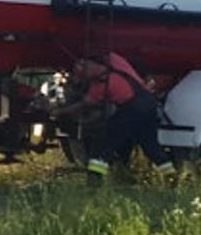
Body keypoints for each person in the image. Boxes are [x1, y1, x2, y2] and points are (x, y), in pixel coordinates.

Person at [60, 51, 173, 180]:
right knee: (150, 145)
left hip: (131, 109)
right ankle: (171, 176)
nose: (80, 73)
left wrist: (59, 112)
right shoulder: (117, 64)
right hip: (149, 105)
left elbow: (83, 104)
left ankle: (94, 178)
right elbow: (105, 53)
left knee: (105, 141)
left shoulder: (100, 84)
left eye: (80, 69)